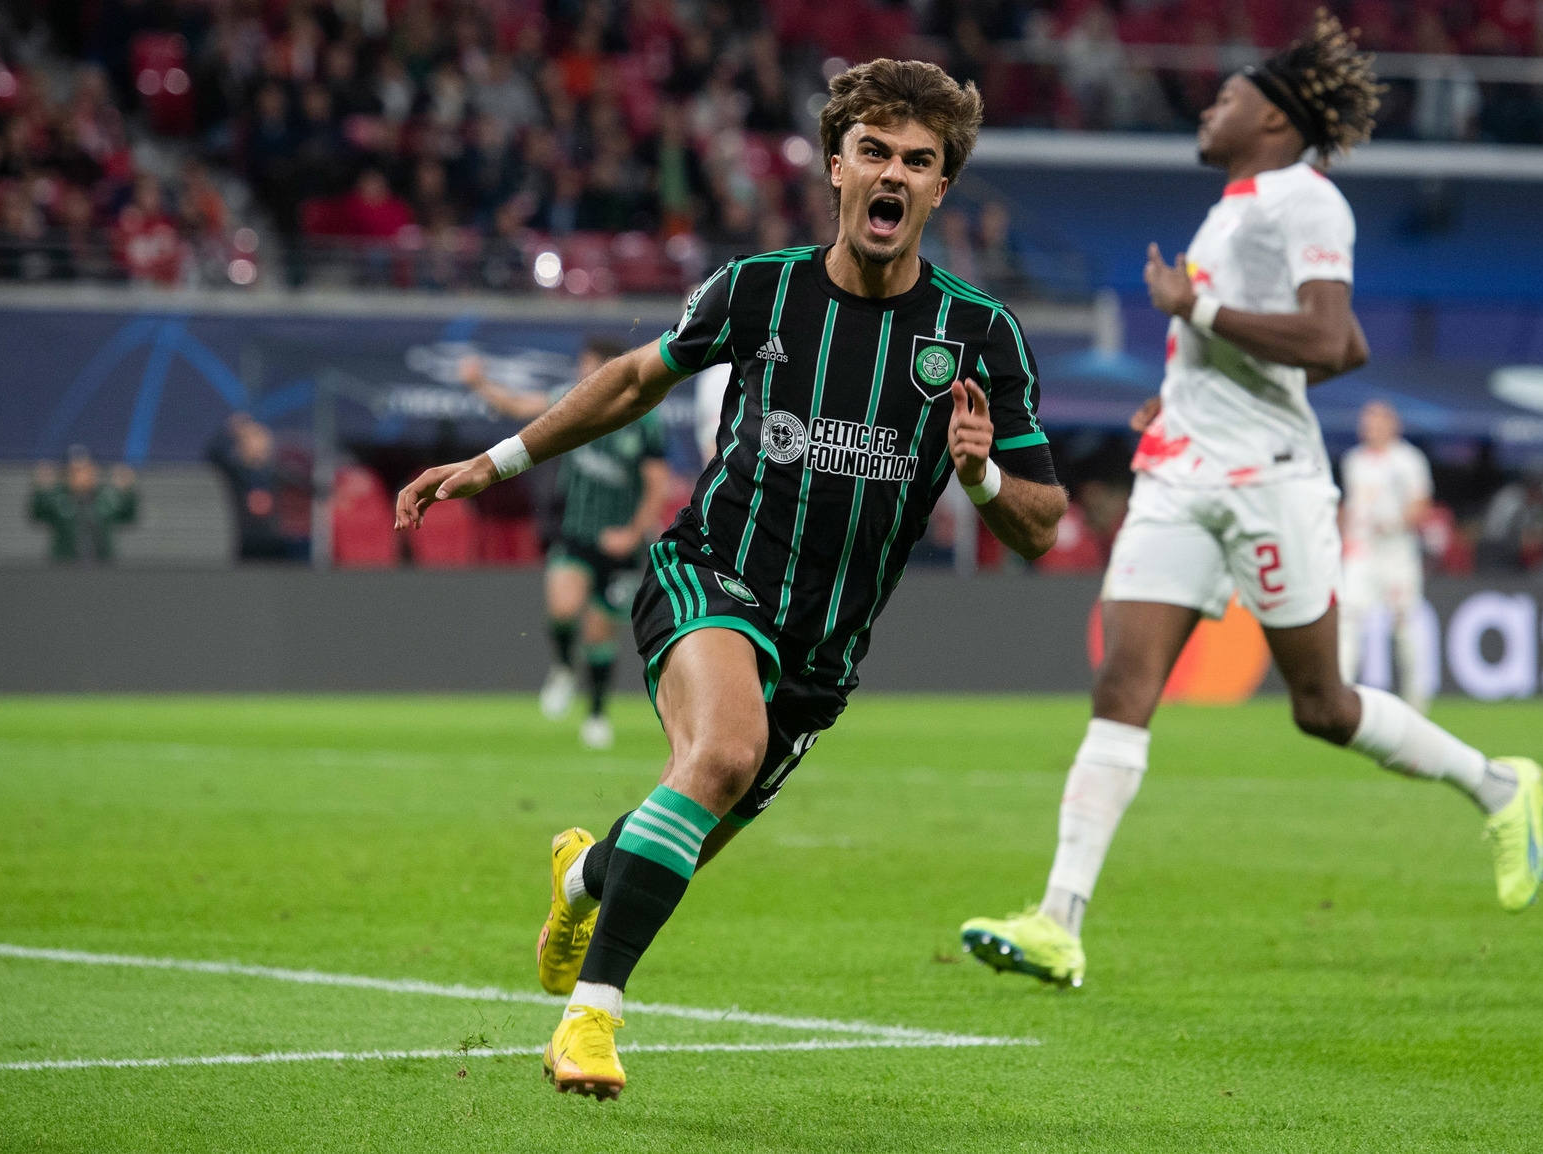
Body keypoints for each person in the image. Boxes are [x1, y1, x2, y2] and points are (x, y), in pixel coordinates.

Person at [395, 59, 1066, 1100]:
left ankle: (583, 873)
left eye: (919, 161)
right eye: (875, 152)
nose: (893, 173)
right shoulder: (763, 290)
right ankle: (589, 1020)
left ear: (942, 190)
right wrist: (497, 461)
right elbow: (631, 380)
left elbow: (1040, 524)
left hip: (825, 650)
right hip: (710, 574)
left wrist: (977, 475)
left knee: (689, 822)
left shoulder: (981, 334)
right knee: (722, 751)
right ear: (837, 167)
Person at [958, 13, 1543, 991]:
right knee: (1122, 687)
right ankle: (1059, 920)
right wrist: (1188, 379)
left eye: (1226, 95)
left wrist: (1200, 314)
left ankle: (1498, 782)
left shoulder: (1305, 200)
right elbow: (1341, 345)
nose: (1207, 105)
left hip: (1271, 479)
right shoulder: (1233, 209)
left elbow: (1326, 340)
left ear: (1273, 118)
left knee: (1322, 705)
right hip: (1180, 471)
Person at [459, 338, 674, 748]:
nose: (583, 374)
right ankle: (561, 666)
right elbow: (522, 408)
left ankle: (596, 714)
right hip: (575, 531)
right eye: (582, 366)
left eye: (591, 367)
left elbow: (657, 483)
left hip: (620, 545)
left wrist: (632, 531)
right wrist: (480, 385)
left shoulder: (644, 419)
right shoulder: (571, 401)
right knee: (562, 608)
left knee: (598, 632)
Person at [1337, 400, 1434, 711]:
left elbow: (1420, 503)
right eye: (1367, 422)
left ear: (1393, 425)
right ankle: (1342, 691)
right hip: (1361, 553)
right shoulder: (1354, 460)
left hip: (1396, 553)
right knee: (1349, 618)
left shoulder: (1407, 460)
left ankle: (1416, 696)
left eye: (1377, 422)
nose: (1371, 428)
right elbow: (1349, 506)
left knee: (1405, 623)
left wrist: (1394, 523)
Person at [207, 413, 308, 562]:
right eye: (250, 440)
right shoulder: (234, 473)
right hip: (243, 542)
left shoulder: (276, 472)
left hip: (273, 541)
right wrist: (228, 432)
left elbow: (307, 483)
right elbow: (214, 456)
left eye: (260, 439)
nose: (256, 444)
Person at [29, 446, 137, 563]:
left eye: (86, 470)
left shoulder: (108, 496)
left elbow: (129, 517)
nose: (81, 476)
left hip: (103, 566)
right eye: (75, 471)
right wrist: (41, 490)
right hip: (64, 565)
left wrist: (127, 491)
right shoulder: (56, 497)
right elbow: (37, 516)